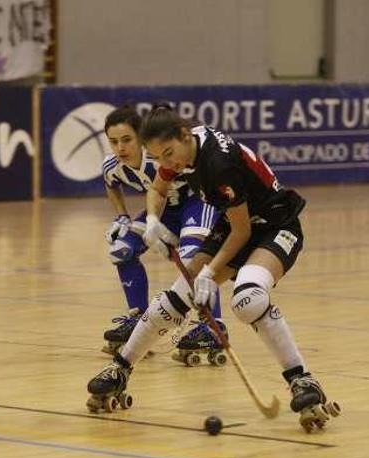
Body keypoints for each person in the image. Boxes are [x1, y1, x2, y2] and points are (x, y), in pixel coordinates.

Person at [86, 105, 339, 430]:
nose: (166, 164)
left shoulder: (218, 163)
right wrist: (151, 221)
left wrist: (208, 274)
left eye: (167, 154)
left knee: (247, 299)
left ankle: (302, 379)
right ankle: (120, 368)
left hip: (275, 225)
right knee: (177, 298)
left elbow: (243, 232)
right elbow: (158, 188)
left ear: (183, 135)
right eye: (158, 157)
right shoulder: (180, 151)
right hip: (234, 225)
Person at [99, 105, 225, 365]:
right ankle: (139, 317)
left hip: (194, 204)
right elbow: (111, 186)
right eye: (113, 142)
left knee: (194, 260)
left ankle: (213, 326)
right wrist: (122, 216)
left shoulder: (158, 156)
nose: (120, 148)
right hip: (161, 211)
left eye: (127, 140)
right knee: (121, 249)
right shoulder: (112, 166)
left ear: (141, 138)